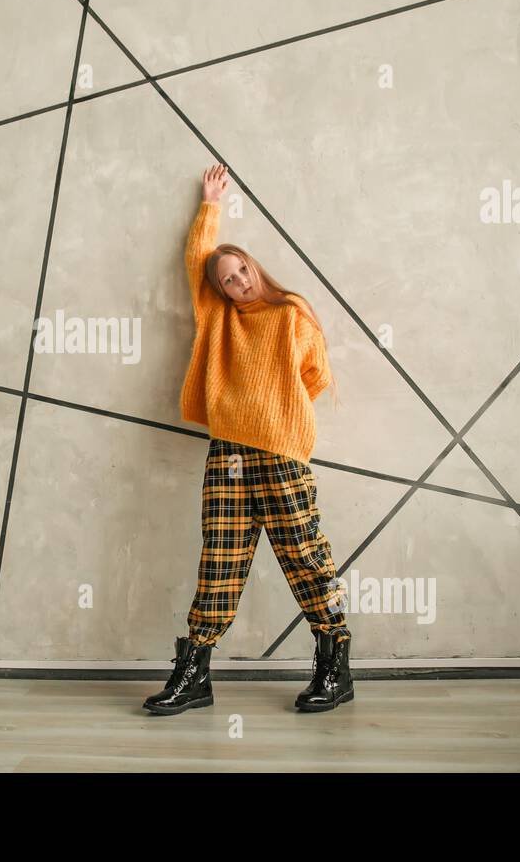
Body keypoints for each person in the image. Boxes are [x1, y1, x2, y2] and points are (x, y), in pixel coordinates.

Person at [143, 163, 353, 716]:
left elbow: (316, 377)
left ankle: (334, 664)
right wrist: (210, 207)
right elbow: (196, 261)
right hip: (228, 457)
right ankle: (194, 674)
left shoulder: (291, 313)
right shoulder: (218, 317)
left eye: (240, 272)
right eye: (226, 280)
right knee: (220, 560)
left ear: (254, 267)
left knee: (305, 559)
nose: (236, 283)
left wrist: (275, 412)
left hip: (282, 457)